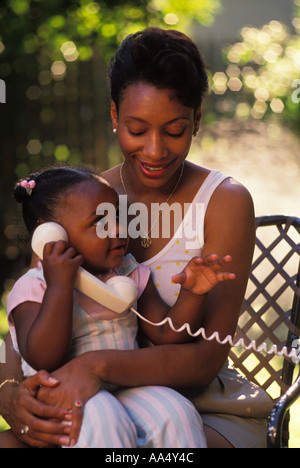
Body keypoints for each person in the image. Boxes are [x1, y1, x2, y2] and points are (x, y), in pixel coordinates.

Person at [0, 27, 273, 448]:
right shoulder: (83, 201)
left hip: (198, 405)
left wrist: (96, 367)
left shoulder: (225, 201)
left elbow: (203, 360)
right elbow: (25, 322)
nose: (154, 150)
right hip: (91, 398)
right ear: (114, 118)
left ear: (197, 120)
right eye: (137, 129)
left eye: (175, 130)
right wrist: (9, 396)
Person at [1, 166, 235, 448]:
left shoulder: (127, 272)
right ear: (52, 237)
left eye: (119, 217)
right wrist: (60, 287)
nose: (119, 230)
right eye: (101, 222)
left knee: (175, 410)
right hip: (65, 397)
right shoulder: (35, 286)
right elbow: (44, 358)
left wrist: (192, 294)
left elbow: (168, 335)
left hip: (125, 389)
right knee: (103, 416)